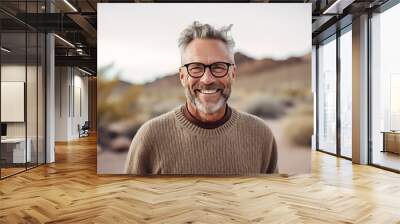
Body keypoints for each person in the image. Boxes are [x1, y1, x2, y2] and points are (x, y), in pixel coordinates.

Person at [124, 21, 278, 175]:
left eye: (218, 67)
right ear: (182, 76)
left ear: (232, 74)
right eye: (196, 67)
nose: (207, 79)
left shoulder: (260, 134)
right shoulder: (150, 137)